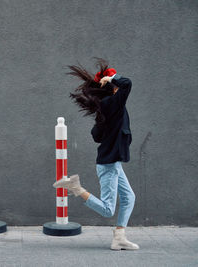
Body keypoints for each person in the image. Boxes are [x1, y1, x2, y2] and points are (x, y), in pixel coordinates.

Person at [53, 58, 139, 250]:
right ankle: (76, 188)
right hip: (109, 164)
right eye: (114, 83)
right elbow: (128, 83)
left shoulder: (106, 107)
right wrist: (112, 78)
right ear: (111, 86)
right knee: (108, 209)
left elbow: (96, 136)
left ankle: (119, 237)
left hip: (113, 162)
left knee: (129, 198)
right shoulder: (113, 104)